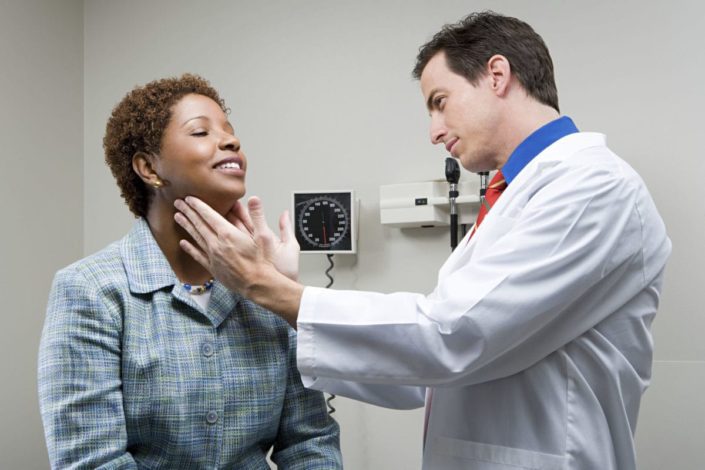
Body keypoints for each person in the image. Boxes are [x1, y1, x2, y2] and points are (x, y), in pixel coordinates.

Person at [173, 12, 671, 470]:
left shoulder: (591, 187)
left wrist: (266, 288)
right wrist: (285, 294)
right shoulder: (514, 198)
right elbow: (423, 372)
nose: (434, 132)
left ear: (497, 75)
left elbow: (450, 338)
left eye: (440, 102)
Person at [37, 74, 342, 469]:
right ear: (149, 168)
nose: (231, 141)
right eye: (201, 131)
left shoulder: (269, 288)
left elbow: (310, 441)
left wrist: (278, 285)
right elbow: (92, 460)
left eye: (231, 133)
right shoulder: (91, 291)